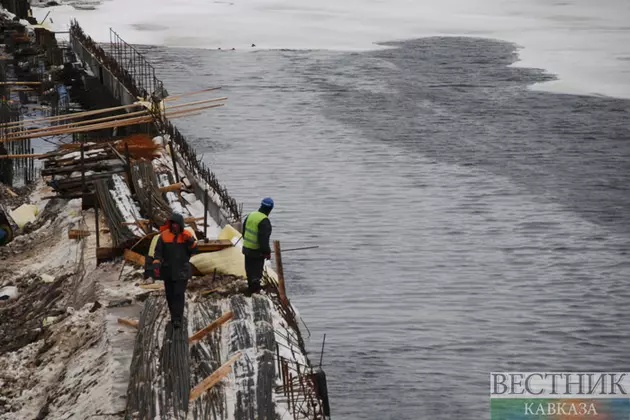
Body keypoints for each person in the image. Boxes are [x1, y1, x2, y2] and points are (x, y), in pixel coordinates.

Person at [152, 213, 198, 328]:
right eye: (173, 224)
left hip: (182, 269)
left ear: (180, 225)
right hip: (167, 270)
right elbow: (158, 252)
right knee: (170, 294)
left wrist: (190, 242)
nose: (175, 226)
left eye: (177, 224)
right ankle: (173, 314)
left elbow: (194, 250)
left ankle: (177, 318)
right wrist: (156, 264)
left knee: (178, 294)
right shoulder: (163, 236)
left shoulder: (187, 235)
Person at [241, 197, 273, 294]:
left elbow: (243, 231)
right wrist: (267, 252)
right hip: (256, 251)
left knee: (249, 270)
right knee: (256, 272)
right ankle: (255, 291)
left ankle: (251, 288)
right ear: (270, 209)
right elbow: (263, 240)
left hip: (246, 248)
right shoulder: (264, 221)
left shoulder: (251, 215)